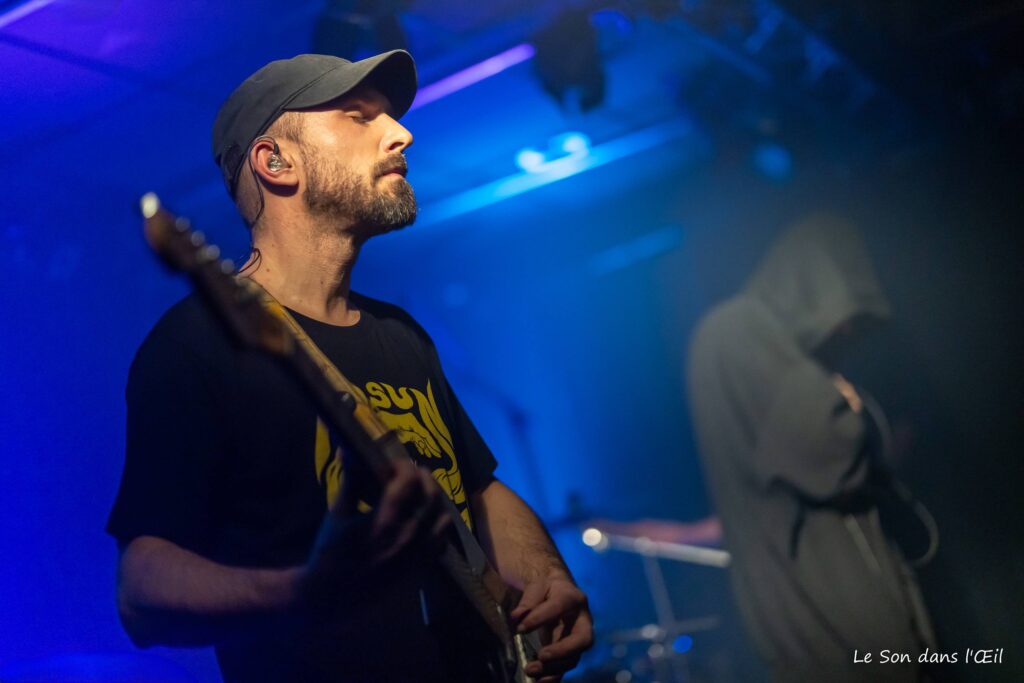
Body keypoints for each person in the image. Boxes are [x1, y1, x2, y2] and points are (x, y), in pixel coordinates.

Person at [107, 50, 592, 683]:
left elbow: (477, 488)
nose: (401, 132)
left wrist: (549, 579)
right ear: (276, 162)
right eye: (359, 117)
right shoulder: (197, 342)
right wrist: (305, 590)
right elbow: (141, 593)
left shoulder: (400, 335)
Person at [686, 214, 936, 682]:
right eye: (847, 323)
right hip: (833, 630)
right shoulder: (737, 328)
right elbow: (830, 454)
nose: (848, 338)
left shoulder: (738, 335)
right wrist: (849, 402)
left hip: (840, 622)